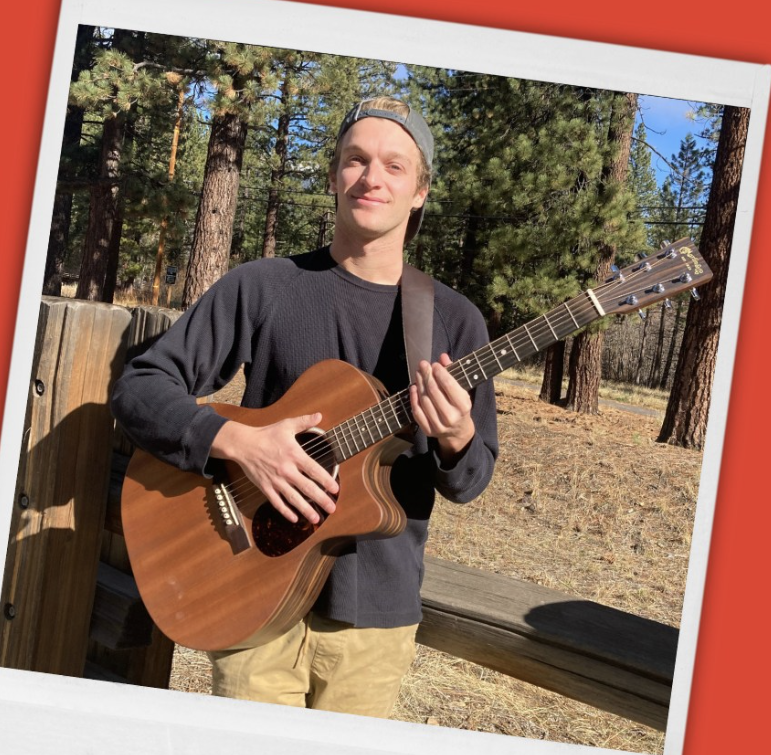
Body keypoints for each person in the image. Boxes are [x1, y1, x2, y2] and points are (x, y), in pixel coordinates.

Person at [111, 97, 498, 719]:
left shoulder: (452, 320)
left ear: (420, 191)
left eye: (395, 167)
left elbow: (471, 480)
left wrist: (456, 435)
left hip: (371, 618)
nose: (372, 178)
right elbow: (141, 387)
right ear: (333, 177)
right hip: (249, 590)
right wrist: (237, 443)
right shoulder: (264, 286)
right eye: (356, 160)